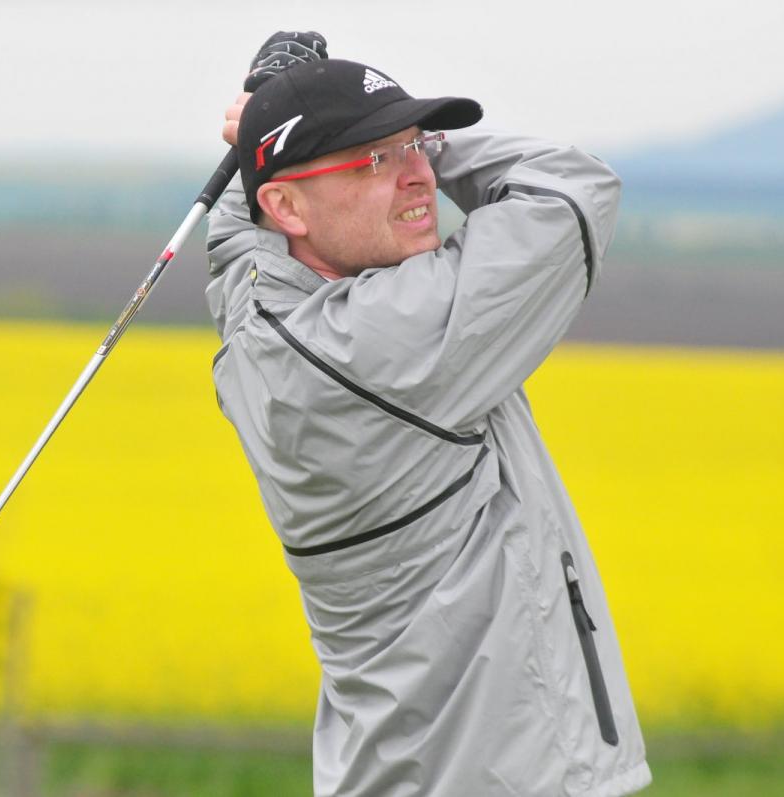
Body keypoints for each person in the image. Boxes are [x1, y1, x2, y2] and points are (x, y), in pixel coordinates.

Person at [206, 49, 652, 797]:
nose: (415, 174)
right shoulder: (383, 341)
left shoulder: (259, 317)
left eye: (417, 144)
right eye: (374, 159)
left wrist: (269, 124)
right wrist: (438, 157)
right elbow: (574, 190)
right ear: (288, 209)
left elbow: (238, 236)